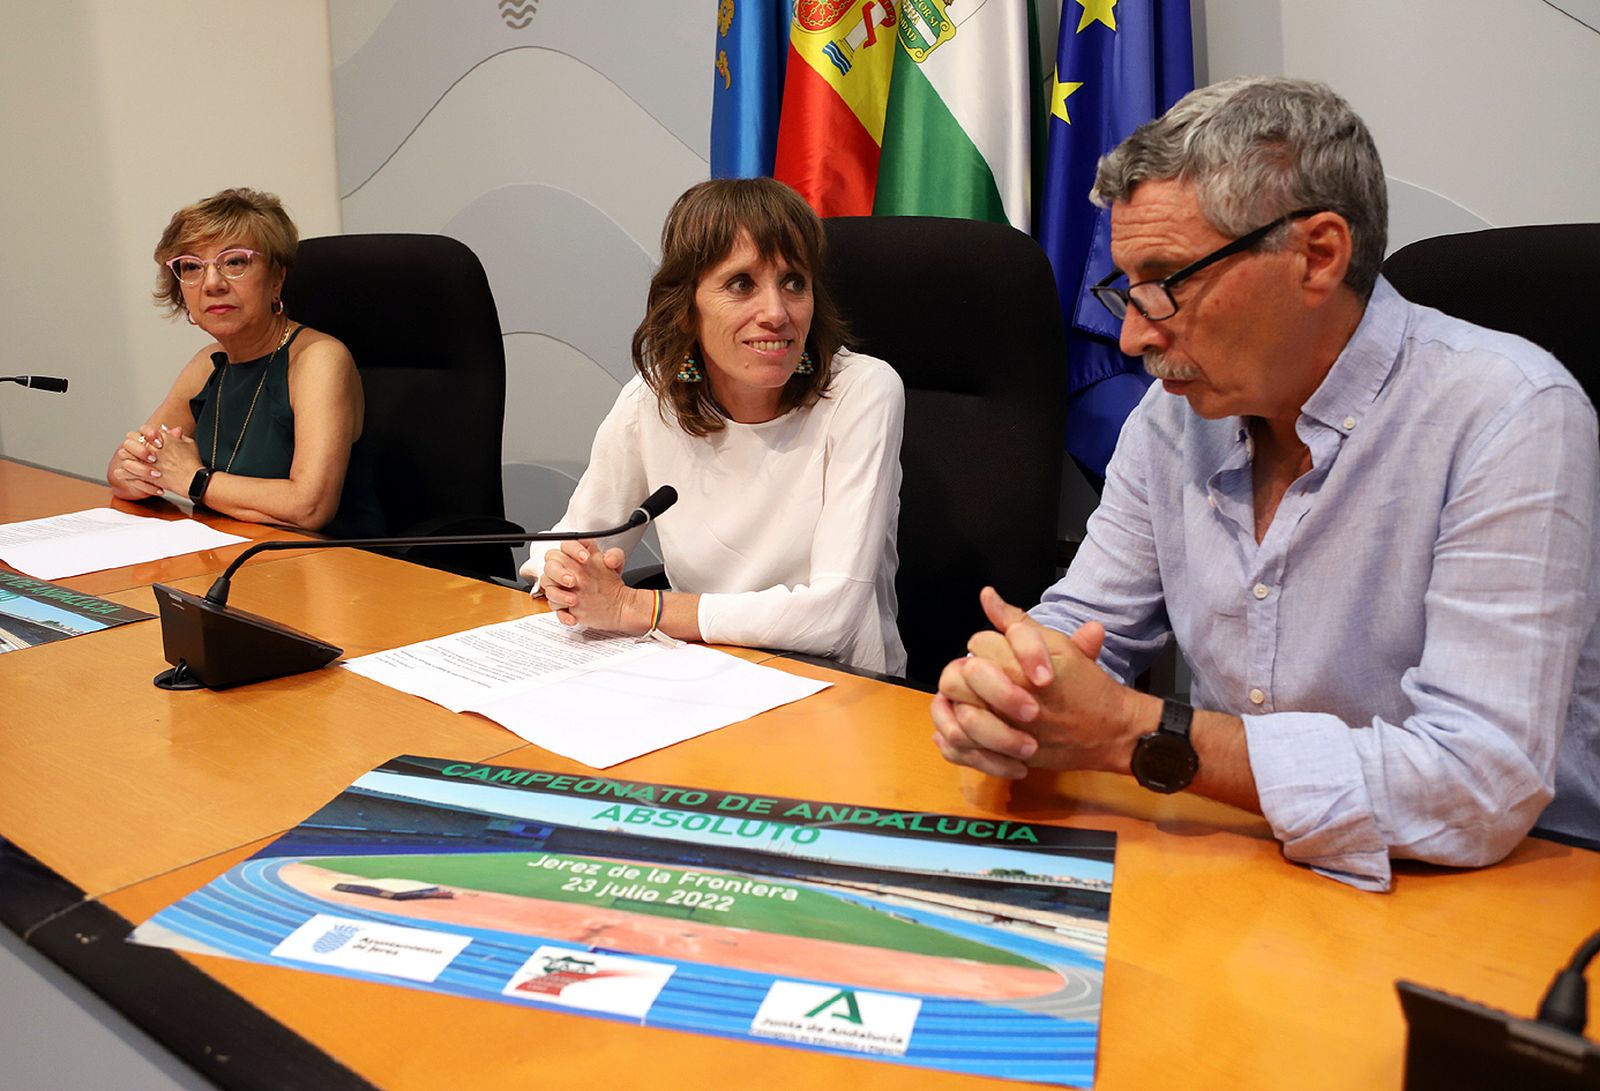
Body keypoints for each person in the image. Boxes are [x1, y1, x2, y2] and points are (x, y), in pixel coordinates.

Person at [931, 76, 1600, 891]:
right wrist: (1010, 685)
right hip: (1245, 858)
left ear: (1317, 255)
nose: (1136, 334)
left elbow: (1475, 783)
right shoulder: (1171, 417)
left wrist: (1142, 735)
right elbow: (1084, 629)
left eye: (1168, 281)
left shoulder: (1509, 413)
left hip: (1493, 894)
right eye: (1126, 288)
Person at [521, 177, 906, 674]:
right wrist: (565, 575)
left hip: (840, 687)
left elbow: (832, 617)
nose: (776, 312)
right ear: (686, 309)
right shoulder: (651, 399)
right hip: (697, 677)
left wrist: (637, 607)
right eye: (742, 284)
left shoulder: (862, 391)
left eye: (794, 282)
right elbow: (578, 540)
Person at [107, 187, 384, 537]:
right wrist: (135, 473)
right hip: (231, 556)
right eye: (191, 266)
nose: (212, 283)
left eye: (234, 261)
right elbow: (121, 466)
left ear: (276, 278)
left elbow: (310, 506)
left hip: (335, 569)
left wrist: (192, 478)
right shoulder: (209, 363)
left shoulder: (318, 360)